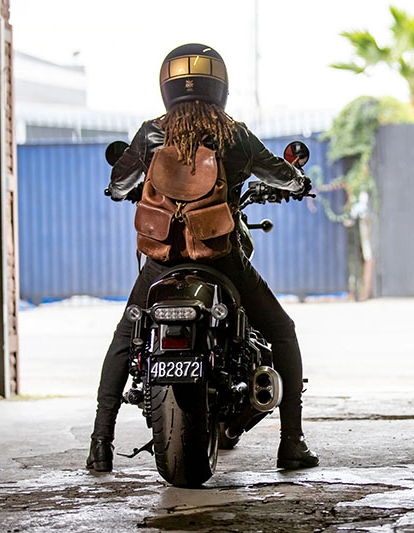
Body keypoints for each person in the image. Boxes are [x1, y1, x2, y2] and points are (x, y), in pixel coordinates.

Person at [86, 43, 318, 472]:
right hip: (220, 257)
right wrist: (298, 181)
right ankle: (291, 443)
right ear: (221, 87)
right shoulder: (235, 134)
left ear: (166, 87)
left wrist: (130, 186)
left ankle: (100, 445)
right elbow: (280, 175)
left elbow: (119, 185)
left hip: (163, 260)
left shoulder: (151, 133)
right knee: (282, 331)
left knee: (125, 335)